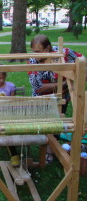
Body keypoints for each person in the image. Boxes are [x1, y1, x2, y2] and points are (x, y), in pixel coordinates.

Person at [29, 34, 84, 163]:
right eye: (33, 51)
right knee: (46, 125)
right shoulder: (33, 60)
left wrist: (78, 74)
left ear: (48, 48)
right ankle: (47, 149)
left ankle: (51, 151)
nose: (35, 55)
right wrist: (63, 84)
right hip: (42, 98)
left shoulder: (64, 53)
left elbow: (82, 61)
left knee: (57, 123)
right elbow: (38, 87)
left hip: (62, 97)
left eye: (38, 52)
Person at [0, 72, 19, 167]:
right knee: (6, 130)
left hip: (9, 114)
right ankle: (14, 155)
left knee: (9, 128)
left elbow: (13, 102)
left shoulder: (10, 86)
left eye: (3, 78)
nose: (1, 80)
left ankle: (16, 151)